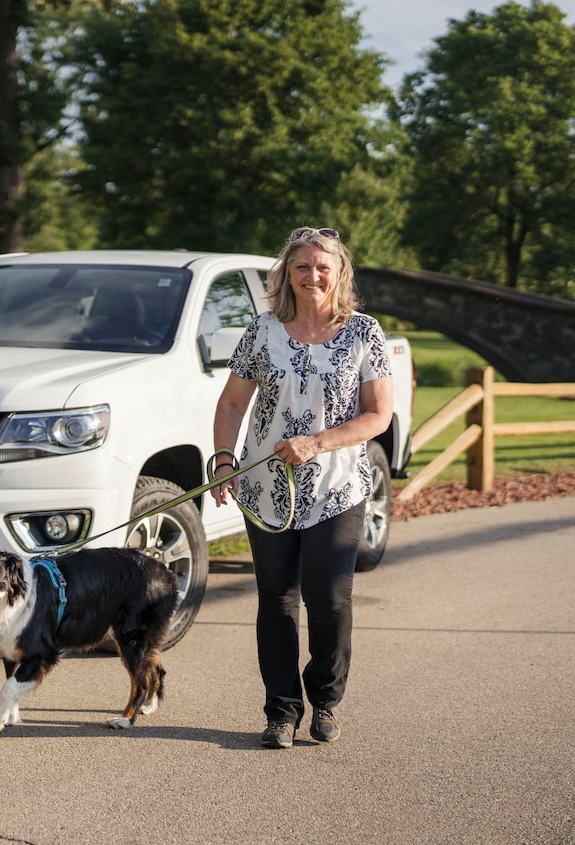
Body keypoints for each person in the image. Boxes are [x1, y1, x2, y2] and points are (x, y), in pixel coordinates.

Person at [211, 226, 393, 749]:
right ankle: (282, 712)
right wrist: (224, 459)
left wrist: (317, 442)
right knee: (276, 600)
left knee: (330, 598)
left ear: (339, 275)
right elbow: (230, 404)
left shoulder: (364, 332)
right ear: (286, 274)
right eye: (302, 266)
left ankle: (327, 700)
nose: (312, 275)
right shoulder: (261, 331)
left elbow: (378, 416)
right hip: (267, 488)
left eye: (322, 267)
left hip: (338, 487)